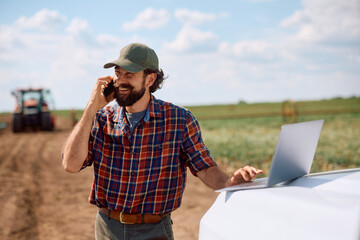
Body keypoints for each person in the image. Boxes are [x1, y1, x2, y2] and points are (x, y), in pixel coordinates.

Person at [62, 43, 263, 240]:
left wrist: (230, 182)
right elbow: (70, 165)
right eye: (118, 73)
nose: (120, 81)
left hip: (154, 231)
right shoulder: (101, 118)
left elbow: (205, 168)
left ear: (150, 79)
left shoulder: (179, 119)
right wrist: (91, 107)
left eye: (129, 74)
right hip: (107, 229)